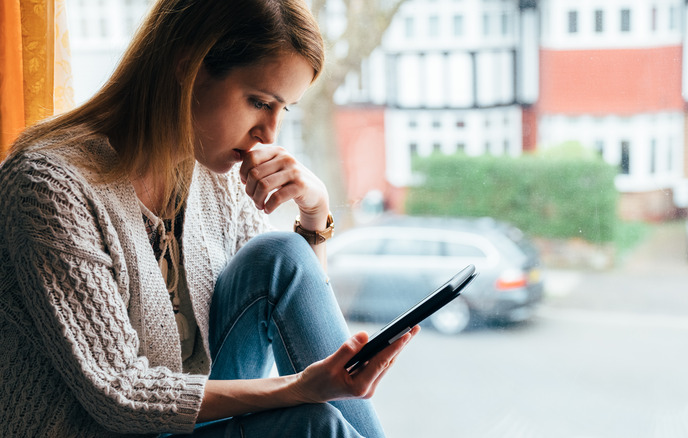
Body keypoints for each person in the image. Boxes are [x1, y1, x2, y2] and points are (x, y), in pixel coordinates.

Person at [0, 0, 420, 436]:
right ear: (189, 66)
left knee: (280, 254)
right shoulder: (47, 183)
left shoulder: (211, 176)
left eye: (283, 109)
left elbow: (292, 318)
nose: (269, 134)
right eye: (259, 101)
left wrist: (315, 217)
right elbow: (119, 395)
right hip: (104, 428)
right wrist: (298, 388)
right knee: (312, 422)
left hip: (185, 425)